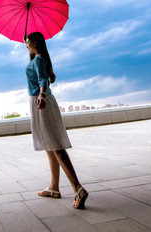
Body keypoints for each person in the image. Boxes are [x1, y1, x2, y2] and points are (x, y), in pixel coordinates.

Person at [24, 31, 88, 209]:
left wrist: (42, 96)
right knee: (49, 146)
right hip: (40, 100)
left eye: (28, 42)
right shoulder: (37, 58)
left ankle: (78, 188)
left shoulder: (38, 60)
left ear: (36, 42)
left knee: (55, 146)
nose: (26, 45)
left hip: (40, 100)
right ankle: (54, 187)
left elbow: (43, 79)